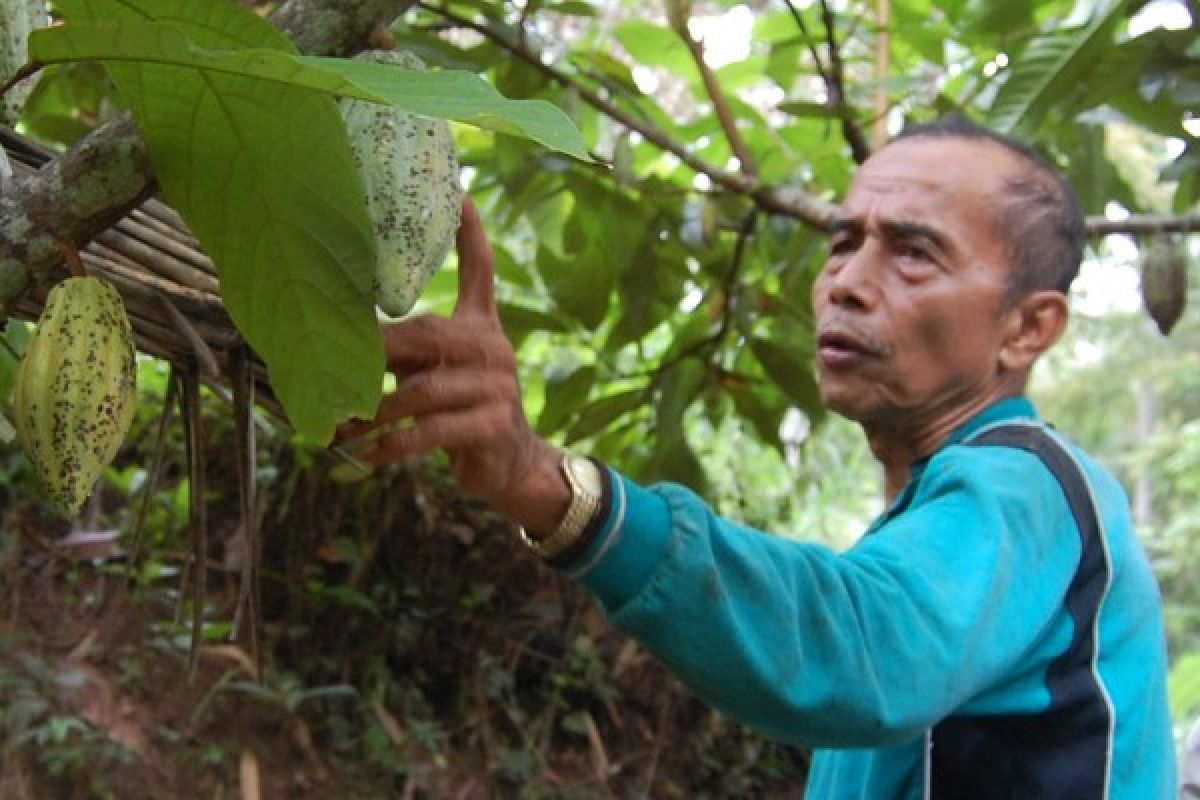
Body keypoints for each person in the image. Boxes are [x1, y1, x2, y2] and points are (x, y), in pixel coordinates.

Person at [338, 116, 1177, 797]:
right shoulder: (933, 519)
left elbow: (863, 653)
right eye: (845, 240)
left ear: (1028, 328)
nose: (847, 279)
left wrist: (546, 487)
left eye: (914, 252)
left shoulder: (1030, 487)